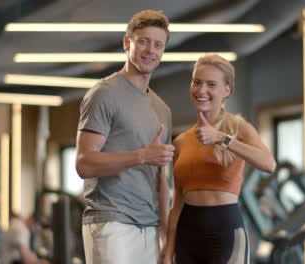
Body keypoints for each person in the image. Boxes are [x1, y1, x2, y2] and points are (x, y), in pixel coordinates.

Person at [75, 9, 174, 264]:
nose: (151, 50)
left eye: (158, 44)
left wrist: (165, 230)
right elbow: (84, 163)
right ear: (126, 42)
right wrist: (142, 155)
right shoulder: (104, 94)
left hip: (150, 228)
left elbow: (162, 179)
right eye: (143, 41)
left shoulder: (162, 109)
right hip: (111, 221)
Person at [162, 54, 277, 264]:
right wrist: (168, 250)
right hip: (187, 233)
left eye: (211, 84)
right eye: (197, 82)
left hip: (226, 230)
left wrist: (222, 139)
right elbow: (176, 204)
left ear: (227, 90)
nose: (201, 90)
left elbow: (269, 164)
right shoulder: (180, 142)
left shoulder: (239, 128)